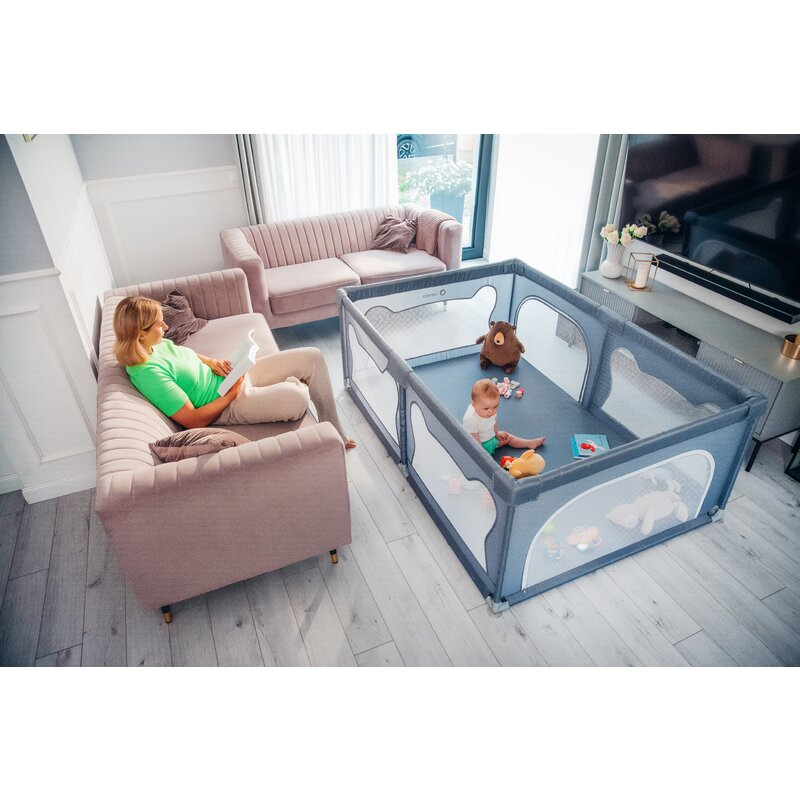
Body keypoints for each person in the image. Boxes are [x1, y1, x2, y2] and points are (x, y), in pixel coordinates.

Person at [112, 296, 355, 449]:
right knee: (299, 398)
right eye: (159, 324)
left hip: (230, 379)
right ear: (140, 333)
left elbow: (186, 357)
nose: (166, 327)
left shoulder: (155, 344)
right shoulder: (148, 373)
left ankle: (336, 430)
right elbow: (193, 420)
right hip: (226, 405)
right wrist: (231, 393)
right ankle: (294, 385)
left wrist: (212, 362)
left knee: (312, 356)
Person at [462, 378, 544, 455]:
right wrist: (483, 455)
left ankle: (529, 443)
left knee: (508, 437)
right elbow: (475, 443)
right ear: (474, 404)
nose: (491, 411)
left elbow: (494, 422)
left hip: (491, 439)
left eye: (495, 406)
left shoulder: (489, 409)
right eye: (486, 408)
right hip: (482, 446)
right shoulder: (470, 419)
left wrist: (497, 433)